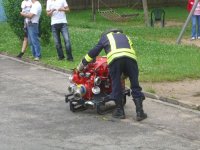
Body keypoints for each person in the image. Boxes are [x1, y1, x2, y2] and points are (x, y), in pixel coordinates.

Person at [77, 29, 147, 121]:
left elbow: (94, 52)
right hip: (131, 59)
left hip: (115, 60)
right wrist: (126, 72)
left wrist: (82, 64)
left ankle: (119, 111)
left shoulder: (105, 37)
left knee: (116, 84)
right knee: (135, 84)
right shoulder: (125, 36)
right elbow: (127, 51)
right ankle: (140, 112)